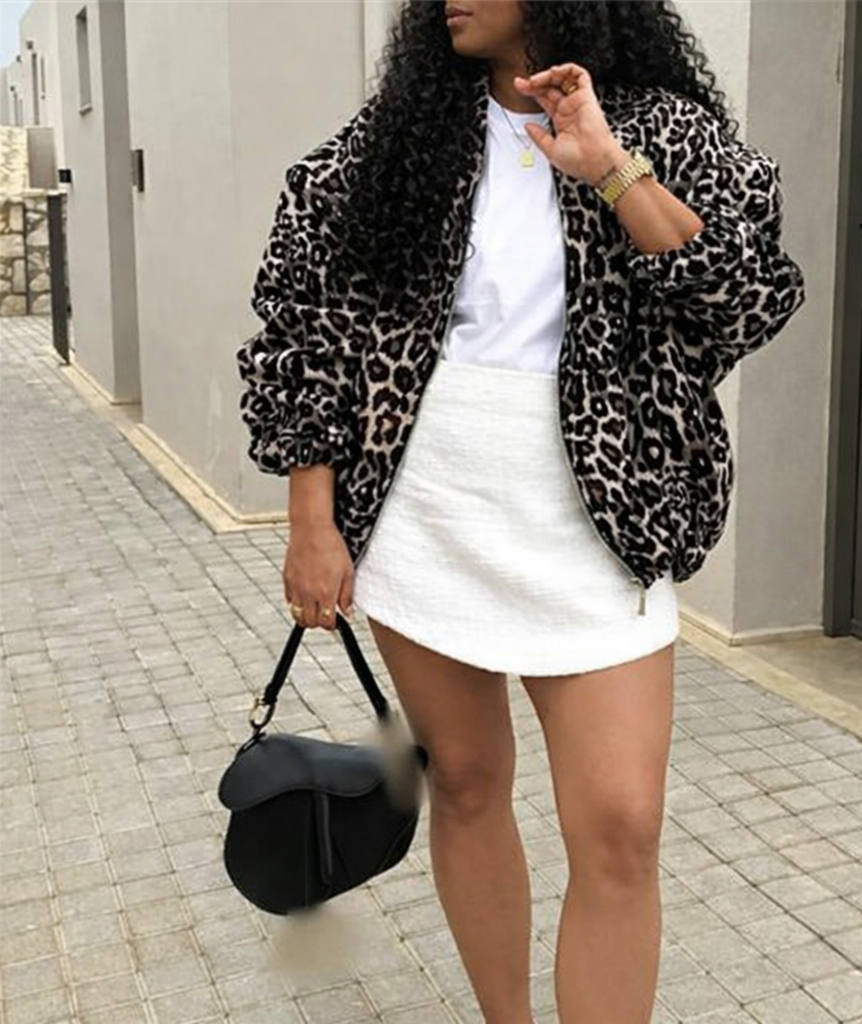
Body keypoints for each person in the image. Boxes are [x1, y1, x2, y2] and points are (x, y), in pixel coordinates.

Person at [236, 2, 806, 1021]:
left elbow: (747, 299)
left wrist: (609, 168)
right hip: (428, 510)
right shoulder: (399, 136)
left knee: (622, 826)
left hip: (603, 521)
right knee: (463, 783)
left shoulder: (661, 128)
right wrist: (311, 521)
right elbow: (305, 328)